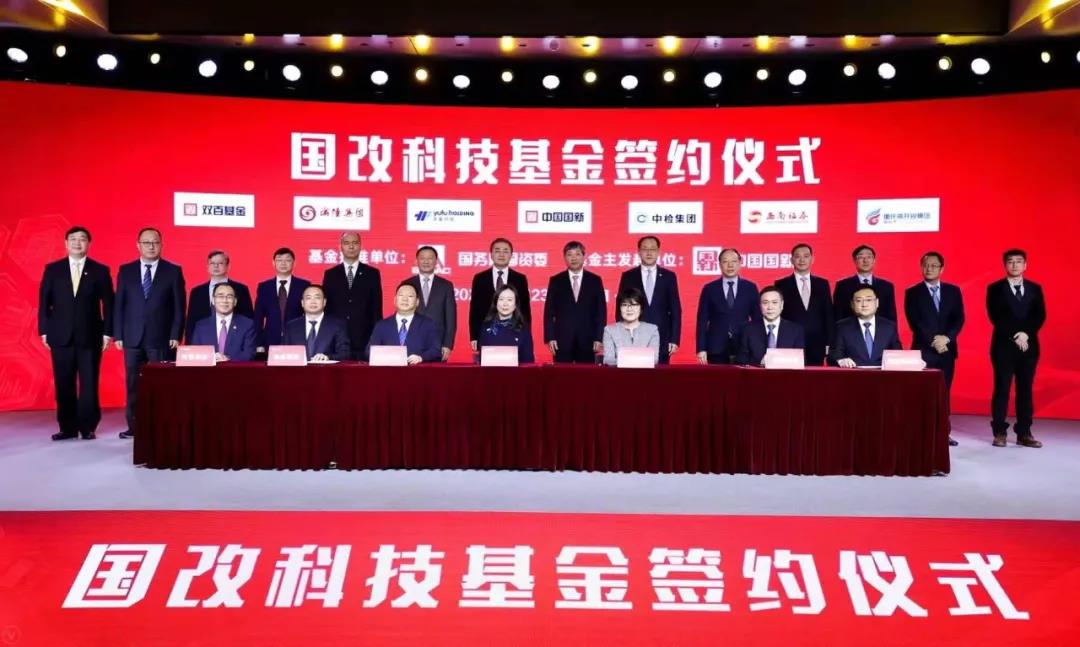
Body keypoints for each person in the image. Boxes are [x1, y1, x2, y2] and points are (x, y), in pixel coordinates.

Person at [38, 226, 114, 441]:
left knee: (89, 383)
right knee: (63, 382)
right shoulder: (53, 269)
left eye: (82, 239)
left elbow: (109, 304)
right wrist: (44, 330)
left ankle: (88, 427)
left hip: (91, 336)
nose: (77, 243)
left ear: (88, 244)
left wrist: (107, 333)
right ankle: (67, 427)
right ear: (66, 243)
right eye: (73, 239)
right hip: (60, 335)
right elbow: (44, 302)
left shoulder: (100, 270)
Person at [114, 227, 185, 439]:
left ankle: (161, 426)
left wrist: (176, 334)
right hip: (132, 338)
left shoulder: (173, 271)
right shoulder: (126, 271)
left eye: (155, 242)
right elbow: (119, 305)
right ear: (138, 245)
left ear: (161, 245)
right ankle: (134, 426)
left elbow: (179, 306)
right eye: (146, 242)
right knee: (133, 383)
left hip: (161, 338)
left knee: (162, 385)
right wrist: (118, 335)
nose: (151, 246)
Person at [987, 249, 1045, 448]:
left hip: (1028, 346)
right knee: (1002, 388)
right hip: (1003, 346)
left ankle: (1024, 432)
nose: (1014, 265)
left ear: (1025, 265)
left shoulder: (1035, 288)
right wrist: (1015, 335)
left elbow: (1039, 315)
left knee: (1025, 390)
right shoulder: (995, 288)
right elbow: (996, 316)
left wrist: (1025, 334)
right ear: (1005, 265)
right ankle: (999, 431)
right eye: (1010, 261)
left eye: (1019, 261)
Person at [905, 252, 965, 446]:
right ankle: (922, 432)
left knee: (944, 392)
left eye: (934, 265)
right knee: (922, 393)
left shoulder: (953, 291)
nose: (929, 268)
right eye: (926, 265)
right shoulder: (912, 292)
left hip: (947, 350)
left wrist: (946, 339)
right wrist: (935, 341)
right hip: (924, 350)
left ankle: (943, 433)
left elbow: (959, 318)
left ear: (942, 268)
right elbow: (915, 322)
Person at [616, 236, 681, 364]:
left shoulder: (669, 276)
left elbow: (675, 310)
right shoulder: (628, 276)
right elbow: (620, 308)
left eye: (653, 249)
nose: (649, 253)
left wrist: (674, 339)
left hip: (662, 336)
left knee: (660, 374)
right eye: (645, 249)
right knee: (635, 373)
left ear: (658, 252)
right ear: (639, 252)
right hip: (633, 336)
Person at [322, 232, 382, 360]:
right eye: (347, 243)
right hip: (336, 337)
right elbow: (326, 308)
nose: (351, 246)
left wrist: (376, 337)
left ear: (360, 246)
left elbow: (376, 308)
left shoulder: (372, 273)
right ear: (341, 247)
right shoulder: (330, 274)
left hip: (364, 337)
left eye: (355, 243)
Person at [543, 241, 606, 363]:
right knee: (561, 373)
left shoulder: (595, 280)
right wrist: (550, 337)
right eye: (569, 254)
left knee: (586, 373)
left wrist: (599, 337)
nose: (574, 258)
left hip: (588, 339)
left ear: (583, 256)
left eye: (577, 254)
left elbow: (601, 311)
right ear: (564, 257)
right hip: (562, 340)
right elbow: (548, 312)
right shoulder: (556, 280)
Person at [696, 248, 759, 364]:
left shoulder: (750, 288)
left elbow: (757, 319)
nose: (730, 265)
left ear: (740, 263)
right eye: (725, 261)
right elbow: (702, 321)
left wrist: (757, 346)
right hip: (716, 347)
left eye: (734, 261)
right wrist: (701, 348)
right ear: (719, 264)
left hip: (743, 345)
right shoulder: (709, 288)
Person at [775, 243, 834, 366]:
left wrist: (829, 342)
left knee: (815, 376)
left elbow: (828, 314)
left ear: (812, 259)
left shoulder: (822, 284)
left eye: (806, 256)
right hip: (790, 341)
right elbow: (778, 314)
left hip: (817, 342)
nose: (802, 260)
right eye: (797, 256)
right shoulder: (781, 284)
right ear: (791, 260)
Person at [470, 237, 531, 351]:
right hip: (486, 332)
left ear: (511, 255)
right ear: (491, 254)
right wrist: (474, 335)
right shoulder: (480, 278)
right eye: (497, 251)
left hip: (513, 331)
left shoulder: (520, 279)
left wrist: (526, 333)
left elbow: (525, 309)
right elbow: (474, 309)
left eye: (505, 251)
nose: (501, 254)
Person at [184, 250, 253, 343]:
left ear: (228, 266)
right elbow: (191, 321)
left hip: (233, 340)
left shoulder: (240, 289)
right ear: (207, 266)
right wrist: (189, 343)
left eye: (220, 263)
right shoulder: (197, 292)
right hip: (204, 341)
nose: (216, 266)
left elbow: (248, 317)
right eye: (212, 263)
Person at [367, 283, 443, 364]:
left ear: (417, 302)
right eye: (401, 295)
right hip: (389, 370)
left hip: (417, 370)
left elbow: (436, 351)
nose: (405, 299)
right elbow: (369, 352)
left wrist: (421, 357)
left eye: (410, 296)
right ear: (395, 300)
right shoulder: (382, 326)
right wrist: (388, 357)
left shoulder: (428, 324)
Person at [403, 246, 456, 361]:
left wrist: (447, 344)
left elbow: (451, 318)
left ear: (436, 261)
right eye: (422, 258)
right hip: (411, 341)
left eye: (430, 258)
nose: (426, 261)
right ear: (416, 261)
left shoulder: (446, 285)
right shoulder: (407, 284)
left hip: (437, 344)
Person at [829, 285, 901, 367]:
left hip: (882, 374)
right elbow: (833, 356)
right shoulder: (842, 327)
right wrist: (841, 360)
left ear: (877, 302)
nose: (864, 304)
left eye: (869, 300)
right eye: (859, 301)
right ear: (852, 304)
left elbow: (898, 355)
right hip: (853, 373)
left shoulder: (889, 327)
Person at [254, 247, 310, 353]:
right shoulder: (264, 287)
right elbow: (258, 318)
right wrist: (259, 343)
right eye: (279, 260)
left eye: (288, 260)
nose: (283, 263)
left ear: (294, 263)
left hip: (297, 339)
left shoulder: (304, 285)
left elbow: (309, 314)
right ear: (273, 263)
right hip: (270, 340)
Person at [735, 286, 805, 366]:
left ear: (782, 305)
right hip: (757, 373)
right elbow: (741, 360)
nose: (770, 307)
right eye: (765, 303)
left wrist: (777, 362)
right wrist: (759, 363)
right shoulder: (747, 329)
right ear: (760, 306)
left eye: (774, 302)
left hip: (785, 373)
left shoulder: (795, 330)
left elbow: (801, 360)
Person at [188, 283, 258, 362]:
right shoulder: (201, 326)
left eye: (229, 297)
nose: (225, 300)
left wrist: (227, 358)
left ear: (235, 301)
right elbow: (195, 353)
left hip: (235, 369)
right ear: (213, 300)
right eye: (220, 296)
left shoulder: (247, 324)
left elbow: (249, 354)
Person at [283, 284, 350, 361]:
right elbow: (283, 352)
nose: (313, 302)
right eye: (308, 298)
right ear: (302, 303)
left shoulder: (337, 325)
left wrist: (328, 357)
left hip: (325, 368)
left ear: (324, 302)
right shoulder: (291, 326)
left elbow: (345, 353)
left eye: (317, 297)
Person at [833, 245, 897, 322]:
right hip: (850, 328)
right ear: (854, 261)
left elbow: (891, 316)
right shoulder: (843, 285)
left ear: (874, 260)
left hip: (880, 328)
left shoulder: (886, 286)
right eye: (861, 257)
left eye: (869, 257)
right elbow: (838, 314)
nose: (865, 260)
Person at [477, 285, 534, 363]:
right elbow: (481, 359)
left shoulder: (523, 329)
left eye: (509, 300)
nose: (505, 304)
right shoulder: (486, 327)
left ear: (515, 305)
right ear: (496, 303)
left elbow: (528, 361)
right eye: (501, 299)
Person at [603, 288, 660, 366]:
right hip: (618, 373)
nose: (629, 309)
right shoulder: (609, 330)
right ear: (619, 308)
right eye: (624, 305)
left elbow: (654, 359)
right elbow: (608, 360)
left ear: (641, 308)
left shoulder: (652, 330)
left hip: (644, 373)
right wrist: (641, 361)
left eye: (634, 305)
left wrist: (624, 361)